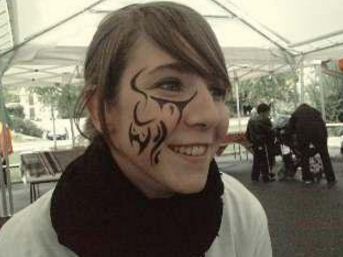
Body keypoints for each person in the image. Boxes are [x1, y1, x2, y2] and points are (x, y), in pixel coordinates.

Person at [0, 2, 272, 257]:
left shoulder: (242, 217)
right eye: (170, 85)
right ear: (100, 109)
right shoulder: (23, 245)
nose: (210, 115)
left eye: (217, 91)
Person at [287, 103, 336, 185]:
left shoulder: (296, 114)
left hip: (304, 133)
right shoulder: (315, 112)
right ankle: (331, 178)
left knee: (304, 155)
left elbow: (289, 129)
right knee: (324, 155)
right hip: (320, 132)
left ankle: (307, 178)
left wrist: (291, 141)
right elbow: (322, 125)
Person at [246, 103, 276, 182]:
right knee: (266, 160)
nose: (268, 114)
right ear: (264, 112)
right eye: (268, 112)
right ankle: (266, 177)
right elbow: (270, 132)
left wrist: (250, 141)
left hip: (255, 143)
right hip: (264, 143)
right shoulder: (265, 120)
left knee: (257, 160)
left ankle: (254, 177)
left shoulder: (251, 120)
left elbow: (247, 133)